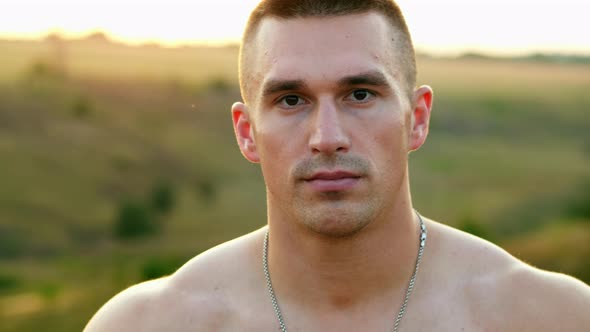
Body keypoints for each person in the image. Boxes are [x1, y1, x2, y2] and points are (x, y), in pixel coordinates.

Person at [84, 0, 590, 331]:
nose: (327, 138)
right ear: (246, 131)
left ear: (416, 118)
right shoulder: (148, 324)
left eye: (361, 94)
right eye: (290, 100)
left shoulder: (550, 317)